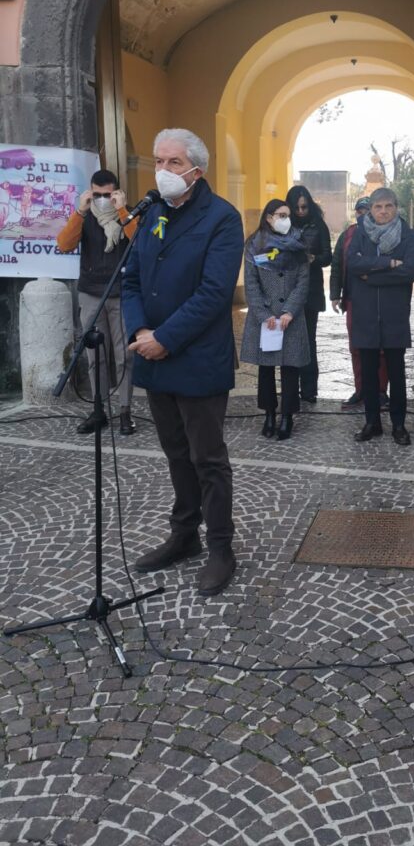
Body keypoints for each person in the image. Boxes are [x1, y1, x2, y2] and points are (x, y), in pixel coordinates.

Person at [122, 128, 243, 597]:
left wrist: (165, 339)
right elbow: (130, 279)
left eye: (173, 163)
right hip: (153, 356)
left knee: (207, 458)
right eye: (158, 161)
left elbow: (214, 293)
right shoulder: (151, 211)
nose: (163, 171)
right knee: (176, 455)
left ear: (196, 168)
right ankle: (184, 535)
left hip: (196, 359)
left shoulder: (221, 218)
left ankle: (220, 546)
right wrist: (138, 332)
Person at [56, 168, 137, 436]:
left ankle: (125, 411)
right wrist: (80, 211)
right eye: (98, 194)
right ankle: (99, 410)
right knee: (95, 356)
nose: (102, 199)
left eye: (107, 194)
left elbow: (139, 241)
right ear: (91, 191)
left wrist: (123, 210)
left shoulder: (129, 214)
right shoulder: (86, 216)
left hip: (121, 293)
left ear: (116, 192)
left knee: (124, 354)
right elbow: (64, 244)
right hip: (92, 293)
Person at [347, 187, 414, 445]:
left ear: (396, 208)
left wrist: (371, 274)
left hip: (394, 315)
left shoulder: (409, 236)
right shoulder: (359, 233)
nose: (383, 211)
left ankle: (399, 425)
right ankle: (372, 423)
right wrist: (388, 263)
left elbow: (410, 272)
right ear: (371, 209)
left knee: (397, 373)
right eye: (378, 207)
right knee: (368, 374)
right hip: (366, 315)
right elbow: (352, 265)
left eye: (388, 206)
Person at [240, 199, 310, 441]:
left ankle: (287, 416)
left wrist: (289, 311)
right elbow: (251, 283)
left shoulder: (298, 244)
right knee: (266, 369)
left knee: (291, 369)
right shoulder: (253, 244)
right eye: (281, 215)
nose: (286, 219)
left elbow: (303, 282)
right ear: (268, 217)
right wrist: (263, 314)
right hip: (266, 316)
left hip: (291, 317)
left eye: (287, 215)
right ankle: (269, 414)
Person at [330, 195, 388, 410]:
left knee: (381, 347)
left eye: (366, 211)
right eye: (359, 211)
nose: (363, 215)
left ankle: (381, 391)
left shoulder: (385, 232)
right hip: (354, 299)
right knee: (356, 347)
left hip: (378, 298)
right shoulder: (347, 234)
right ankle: (361, 389)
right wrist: (335, 294)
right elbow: (337, 265)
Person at [285, 185, 331, 403]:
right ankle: (291, 387)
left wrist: (313, 259)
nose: (301, 211)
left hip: (311, 289)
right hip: (289, 288)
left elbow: (328, 257)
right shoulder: (284, 224)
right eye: (297, 208)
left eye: (304, 206)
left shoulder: (318, 225)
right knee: (290, 340)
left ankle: (309, 389)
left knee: (309, 339)